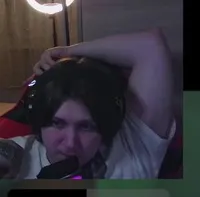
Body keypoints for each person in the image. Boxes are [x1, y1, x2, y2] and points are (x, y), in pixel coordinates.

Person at [0, 29, 176, 180]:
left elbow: (151, 46)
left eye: (86, 127)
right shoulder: (19, 155)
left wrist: (67, 52)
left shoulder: (134, 145)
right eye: (57, 123)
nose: (70, 143)